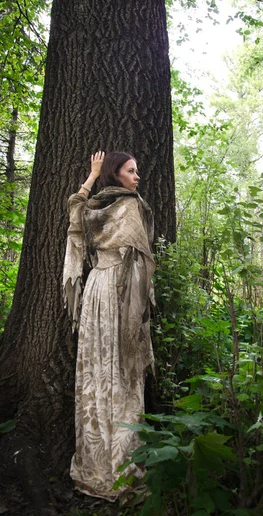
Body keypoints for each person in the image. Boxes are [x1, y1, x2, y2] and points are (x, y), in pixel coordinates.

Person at [63, 151, 155, 501]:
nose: (138, 176)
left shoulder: (96, 206)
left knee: (108, 371)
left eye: (137, 170)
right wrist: (93, 173)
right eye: (132, 171)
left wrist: (91, 178)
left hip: (99, 289)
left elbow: (75, 211)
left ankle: (103, 467)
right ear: (116, 175)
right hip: (118, 291)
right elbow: (143, 257)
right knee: (118, 370)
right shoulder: (130, 205)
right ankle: (116, 471)